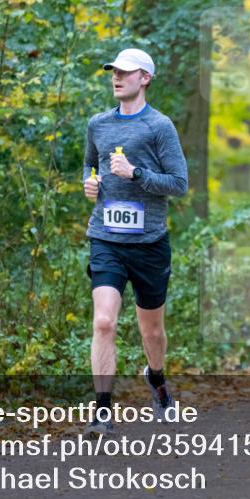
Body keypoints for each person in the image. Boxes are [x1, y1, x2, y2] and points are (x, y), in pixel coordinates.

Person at [82, 48, 188, 435]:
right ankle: (103, 410)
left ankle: (156, 378)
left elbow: (178, 183)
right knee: (104, 321)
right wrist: (89, 184)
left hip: (149, 243)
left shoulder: (160, 127)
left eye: (126, 72)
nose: (117, 77)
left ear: (145, 78)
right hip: (106, 238)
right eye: (114, 71)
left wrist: (136, 172)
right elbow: (90, 164)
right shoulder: (98, 124)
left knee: (151, 332)